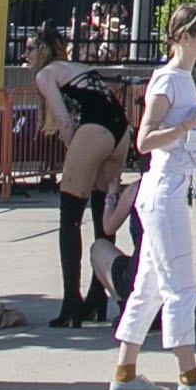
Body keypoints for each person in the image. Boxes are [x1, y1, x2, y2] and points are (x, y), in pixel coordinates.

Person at [112, 3, 196, 390]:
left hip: (174, 189)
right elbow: (144, 139)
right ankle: (189, 377)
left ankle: (125, 372)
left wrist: (194, 112)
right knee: (180, 284)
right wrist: (188, 123)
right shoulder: (168, 79)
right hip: (166, 189)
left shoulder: (182, 80)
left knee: (150, 284)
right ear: (184, 37)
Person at [28, 28, 135, 325]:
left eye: (30, 49)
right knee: (104, 213)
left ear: (43, 50)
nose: (26, 56)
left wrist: (73, 146)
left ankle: (71, 304)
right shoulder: (77, 66)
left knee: (70, 215)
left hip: (95, 129)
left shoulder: (46, 74)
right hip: (119, 130)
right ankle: (98, 297)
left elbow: (63, 119)